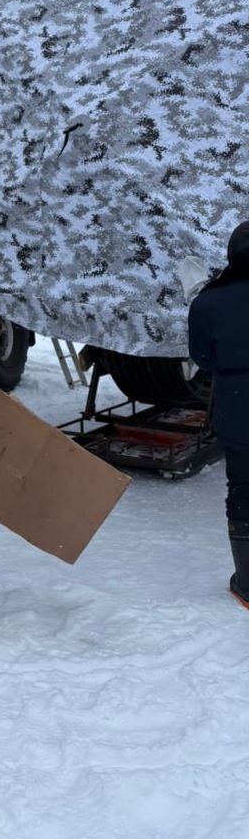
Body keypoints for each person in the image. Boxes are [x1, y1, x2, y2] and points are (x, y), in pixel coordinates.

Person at [188, 220, 249, 609]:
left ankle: (247, 582)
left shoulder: (208, 302)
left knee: (242, 488)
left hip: (237, 407)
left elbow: (201, 357)